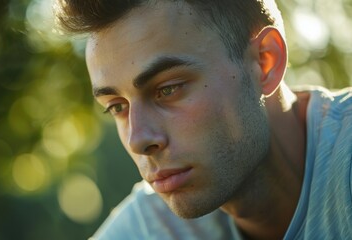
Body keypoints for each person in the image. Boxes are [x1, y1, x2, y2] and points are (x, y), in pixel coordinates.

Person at [55, 0, 352, 239]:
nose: (139, 139)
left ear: (265, 61)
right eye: (117, 107)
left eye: (168, 89)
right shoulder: (152, 228)